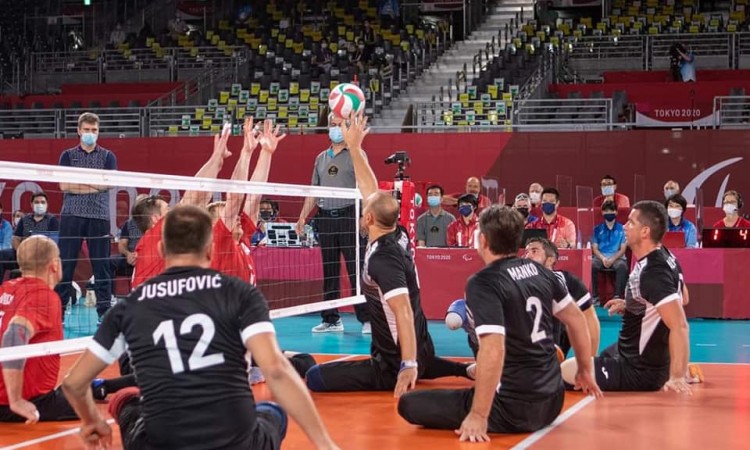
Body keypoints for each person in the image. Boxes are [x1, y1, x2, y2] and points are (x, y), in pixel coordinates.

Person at [61, 206, 340, 450]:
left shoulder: (129, 307)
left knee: (129, 405)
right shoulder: (240, 293)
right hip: (236, 442)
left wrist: (92, 421)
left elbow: (73, 384)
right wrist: (325, 444)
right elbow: (276, 370)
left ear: (161, 249)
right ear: (210, 250)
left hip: (161, 443)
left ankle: (125, 401)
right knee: (272, 413)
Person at [397, 205, 601, 441]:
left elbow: (493, 348)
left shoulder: (483, 282)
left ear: (483, 240)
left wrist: (478, 415)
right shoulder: (541, 272)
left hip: (513, 409)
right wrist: (584, 370)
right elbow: (576, 319)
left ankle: (482, 404)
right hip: (553, 402)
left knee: (408, 404)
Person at [306, 113, 473, 397]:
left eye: (364, 210)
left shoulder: (382, 258)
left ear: (369, 219)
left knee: (313, 377)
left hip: (392, 363)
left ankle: (412, 367)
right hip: (421, 348)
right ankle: (462, 369)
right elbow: (370, 189)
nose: (362, 211)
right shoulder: (400, 233)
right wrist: (355, 148)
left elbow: (403, 310)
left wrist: (408, 365)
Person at [561, 201, 693, 394]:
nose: (624, 226)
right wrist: (632, 303)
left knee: (564, 372)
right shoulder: (666, 255)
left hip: (638, 370)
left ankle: (678, 373)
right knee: (603, 355)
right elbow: (683, 297)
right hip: (628, 351)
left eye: (631, 222)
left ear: (645, 231)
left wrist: (678, 376)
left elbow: (680, 325)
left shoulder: (653, 271)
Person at [296, 113, 370, 334]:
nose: (335, 128)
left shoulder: (357, 153)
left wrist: (364, 214)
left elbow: (366, 185)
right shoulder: (321, 158)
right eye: (332, 125)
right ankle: (331, 319)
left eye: (340, 125)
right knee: (330, 271)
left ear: (347, 128)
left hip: (350, 216)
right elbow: (313, 191)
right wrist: (302, 217)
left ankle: (367, 319)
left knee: (357, 270)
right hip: (326, 218)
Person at [0, 236, 73, 423]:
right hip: (25, 402)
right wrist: (16, 400)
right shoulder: (44, 297)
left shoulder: (5, 288)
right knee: (83, 399)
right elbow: (13, 336)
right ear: (54, 265)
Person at [56, 112, 117, 321]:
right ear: (79, 131)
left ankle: (104, 313)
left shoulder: (108, 156)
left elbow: (109, 184)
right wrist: (95, 185)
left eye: (94, 130)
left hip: (99, 217)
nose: (90, 133)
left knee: (102, 266)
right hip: (71, 216)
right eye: (87, 130)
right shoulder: (67, 156)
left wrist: (79, 184)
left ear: (98, 132)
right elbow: (64, 185)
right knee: (66, 265)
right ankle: (59, 312)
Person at [524, 237, 600, 358]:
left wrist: (591, 359)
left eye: (534, 251)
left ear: (550, 260)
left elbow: (589, 316)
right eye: (526, 252)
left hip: (555, 341)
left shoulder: (567, 279)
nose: (527, 256)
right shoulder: (517, 281)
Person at [1, 193, 59, 285]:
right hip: (23, 254)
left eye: (42, 202)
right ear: (32, 204)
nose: (40, 204)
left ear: (47, 204)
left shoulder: (52, 220)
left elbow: (54, 242)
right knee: (2, 255)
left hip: (41, 256)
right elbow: (15, 238)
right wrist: (21, 252)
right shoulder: (25, 219)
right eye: (37, 202)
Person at [590, 200, 629, 304]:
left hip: (617, 258)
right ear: (602, 212)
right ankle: (595, 297)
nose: (609, 213)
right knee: (592, 265)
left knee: (622, 266)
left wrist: (612, 259)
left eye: (611, 210)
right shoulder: (597, 229)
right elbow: (595, 248)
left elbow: (623, 249)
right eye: (606, 211)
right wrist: (603, 258)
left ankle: (617, 297)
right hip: (600, 257)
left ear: (616, 212)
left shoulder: (622, 229)